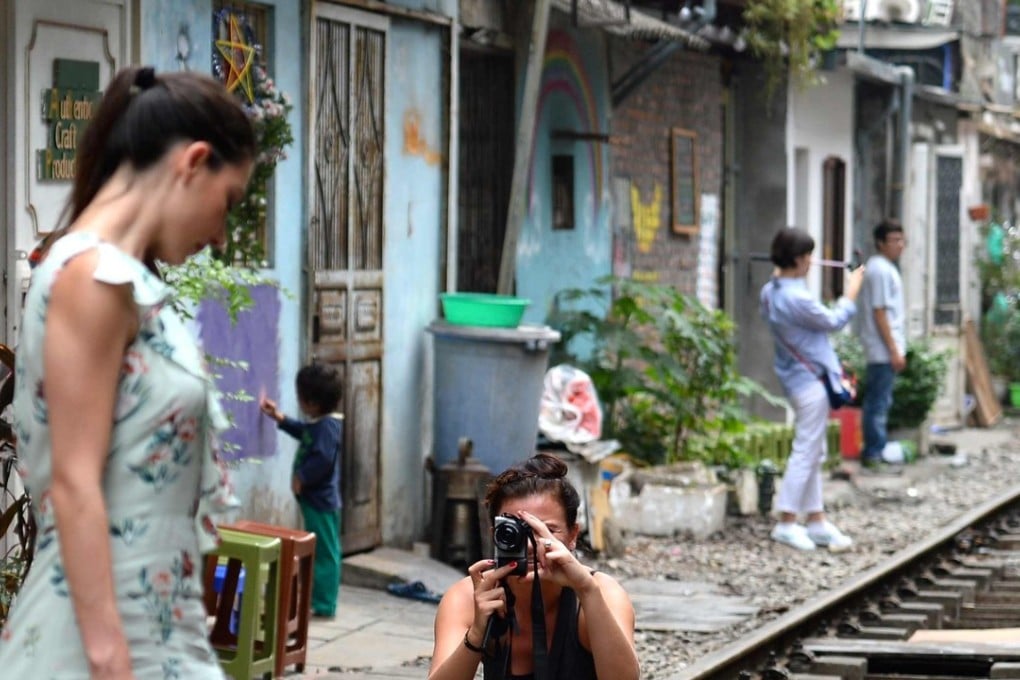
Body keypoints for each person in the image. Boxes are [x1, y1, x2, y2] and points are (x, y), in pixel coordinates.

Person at [0, 66, 254, 677]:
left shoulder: (120, 280)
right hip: (104, 641)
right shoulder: (90, 277)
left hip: (151, 627)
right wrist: (111, 658)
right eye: (229, 203)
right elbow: (74, 482)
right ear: (194, 162)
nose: (221, 235)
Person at [428, 452, 639, 680]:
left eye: (546, 530)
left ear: (573, 536)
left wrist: (587, 591)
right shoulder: (471, 596)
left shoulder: (600, 592)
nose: (530, 545)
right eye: (516, 531)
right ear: (495, 536)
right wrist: (477, 634)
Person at [760, 227, 865, 552]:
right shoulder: (797, 297)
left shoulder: (770, 291)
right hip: (812, 381)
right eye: (807, 256)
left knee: (814, 450)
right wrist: (852, 292)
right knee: (806, 451)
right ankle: (788, 521)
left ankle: (816, 520)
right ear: (797, 258)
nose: (811, 261)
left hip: (797, 378)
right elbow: (833, 320)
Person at [259, 363, 344, 618]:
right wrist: (281, 418)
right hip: (314, 500)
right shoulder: (320, 423)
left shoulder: (328, 428)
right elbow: (306, 433)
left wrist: (302, 477)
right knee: (319, 549)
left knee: (326, 552)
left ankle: (325, 603)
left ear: (312, 403)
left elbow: (323, 457)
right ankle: (318, 597)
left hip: (321, 501)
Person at [857, 219, 907, 469]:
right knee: (877, 402)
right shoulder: (879, 270)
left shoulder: (886, 268)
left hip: (884, 349)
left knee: (880, 401)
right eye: (894, 240)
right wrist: (893, 350)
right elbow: (879, 312)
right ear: (880, 243)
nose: (899, 245)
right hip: (881, 350)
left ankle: (876, 450)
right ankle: (873, 454)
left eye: (901, 239)